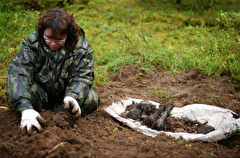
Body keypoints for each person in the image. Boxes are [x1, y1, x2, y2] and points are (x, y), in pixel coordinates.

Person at [6, 8, 100, 135]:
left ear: (69, 35)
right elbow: (19, 72)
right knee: (24, 93)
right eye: (48, 38)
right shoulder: (33, 44)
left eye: (60, 40)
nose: (53, 44)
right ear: (42, 31)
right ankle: (33, 113)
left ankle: (57, 114)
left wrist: (73, 95)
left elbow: (83, 76)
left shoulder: (81, 48)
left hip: (65, 98)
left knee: (92, 99)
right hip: (40, 93)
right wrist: (25, 108)